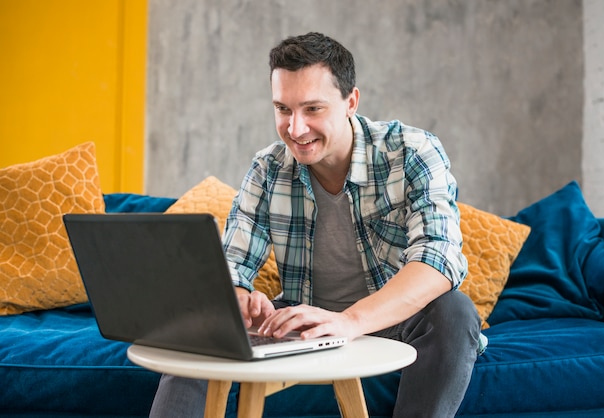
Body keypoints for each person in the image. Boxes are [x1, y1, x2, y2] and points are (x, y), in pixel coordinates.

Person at [150, 32, 482, 418]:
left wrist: (348, 321)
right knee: (203, 326)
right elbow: (231, 268)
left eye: (312, 109)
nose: (295, 129)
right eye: (283, 109)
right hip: (300, 322)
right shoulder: (268, 169)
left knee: (454, 312)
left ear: (350, 102)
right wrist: (238, 301)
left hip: (392, 320)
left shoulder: (412, 152)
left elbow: (438, 261)